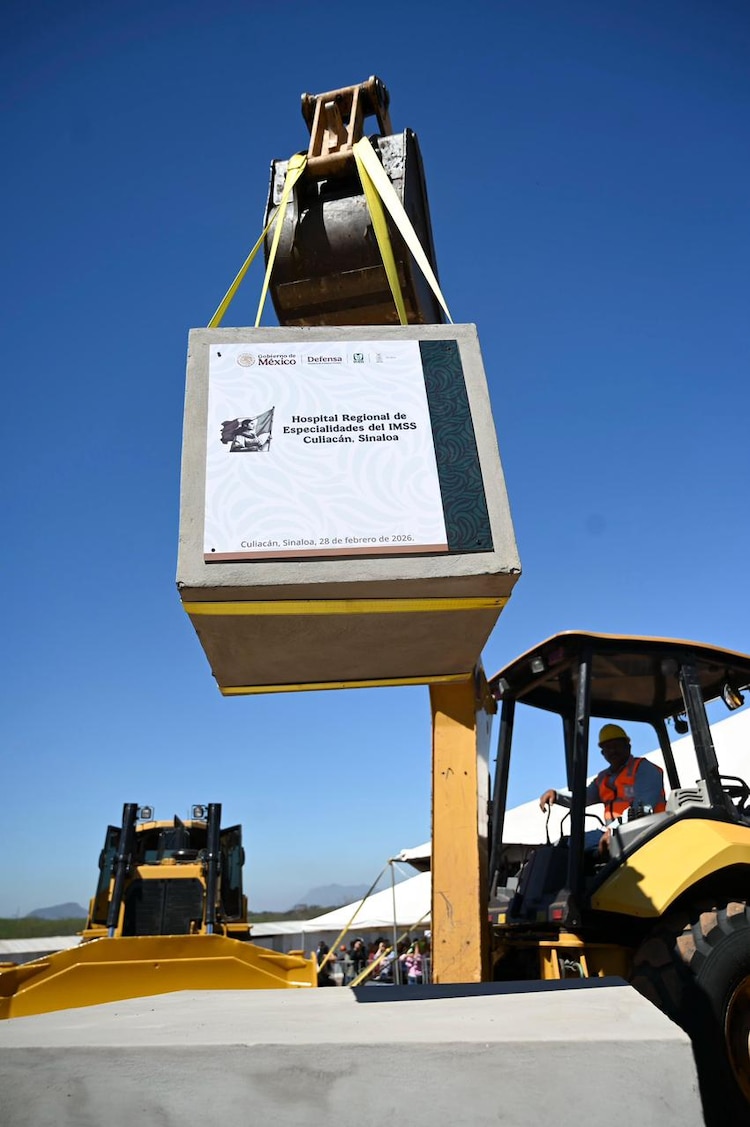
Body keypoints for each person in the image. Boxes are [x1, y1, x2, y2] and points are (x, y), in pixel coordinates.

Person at [539, 723, 666, 850]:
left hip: (649, 830)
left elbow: (642, 808)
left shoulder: (643, 768)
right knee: (564, 846)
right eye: (608, 748)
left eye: (616, 746)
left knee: (575, 846)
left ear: (628, 746)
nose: (613, 751)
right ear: (602, 753)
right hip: (616, 833)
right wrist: (557, 795)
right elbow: (583, 797)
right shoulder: (603, 778)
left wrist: (613, 829)